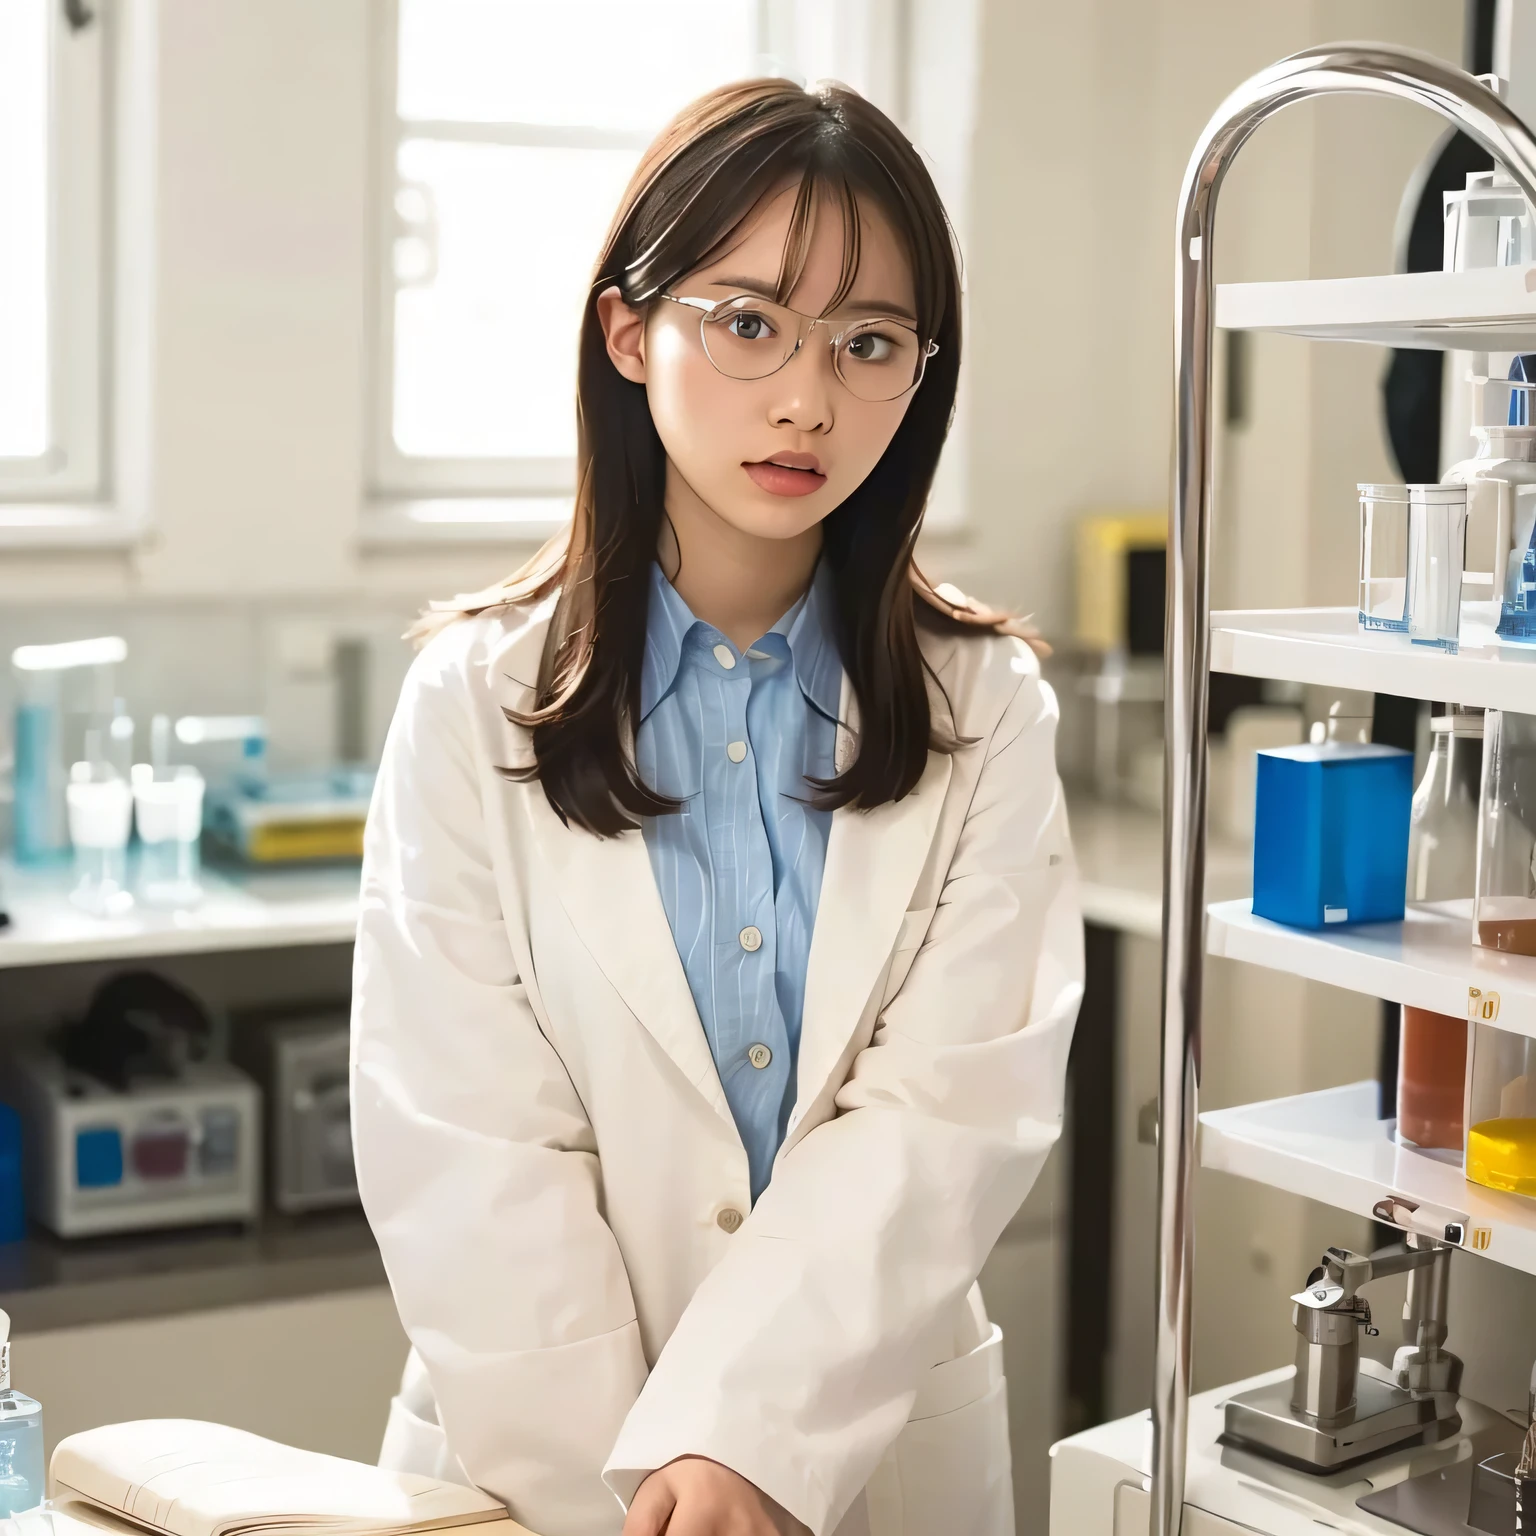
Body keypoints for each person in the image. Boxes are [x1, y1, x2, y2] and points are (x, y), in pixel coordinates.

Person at [351, 76, 1082, 1536]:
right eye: (748, 322)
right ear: (630, 331)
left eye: (869, 342)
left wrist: (753, 1444)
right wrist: (640, 1495)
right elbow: (466, 1147)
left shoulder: (986, 708)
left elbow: (947, 1118)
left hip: (872, 1447)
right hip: (537, 1461)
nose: (808, 398)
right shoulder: (468, 706)